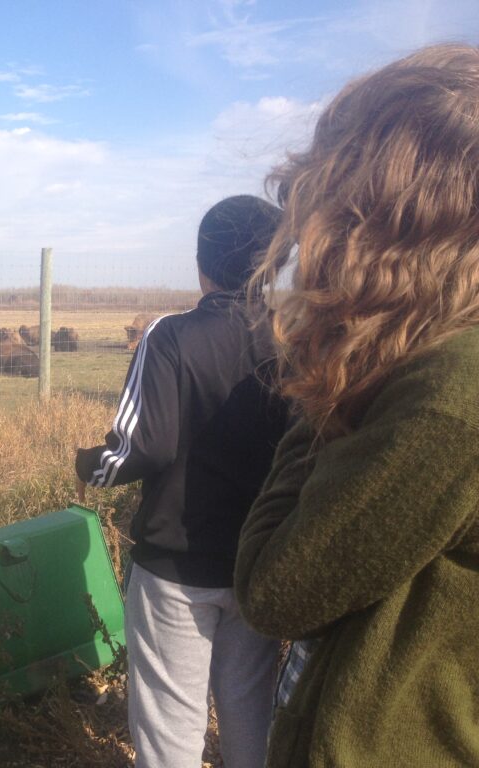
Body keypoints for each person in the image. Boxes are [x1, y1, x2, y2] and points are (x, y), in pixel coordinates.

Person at [235, 43, 479, 767]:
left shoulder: (447, 397)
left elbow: (274, 590)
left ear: (381, 218)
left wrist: (321, 387)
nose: (306, 235)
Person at [75, 194, 287, 768]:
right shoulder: (293, 337)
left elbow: (139, 449)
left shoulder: (169, 336)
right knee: (250, 713)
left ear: (201, 263)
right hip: (257, 563)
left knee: (171, 724)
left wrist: (87, 464)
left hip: (176, 570)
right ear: (270, 265)